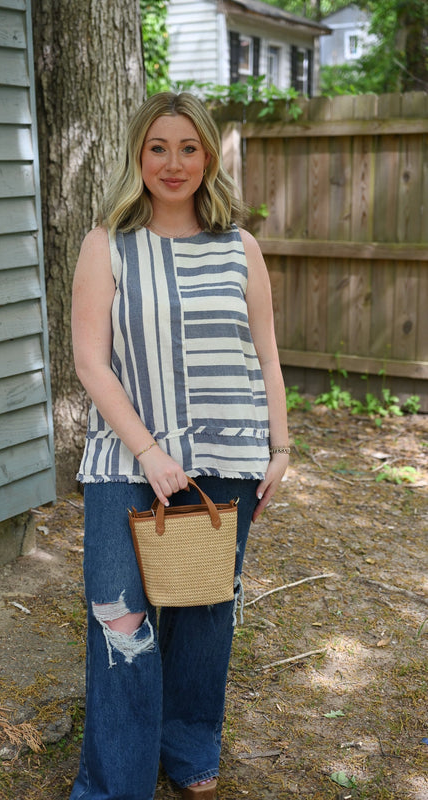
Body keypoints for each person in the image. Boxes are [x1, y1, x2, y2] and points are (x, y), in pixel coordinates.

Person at [70, 91, 289, 800]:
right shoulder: (106, 243)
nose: (173, 163)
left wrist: (278, 450)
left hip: (228, 460)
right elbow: (89, 362)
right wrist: (149, 451)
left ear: (207, 156)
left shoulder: (240, 248)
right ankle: (115, 785)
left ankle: (188, 749)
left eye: (187, 148)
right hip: (126, 460)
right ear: (138, 153)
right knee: (120, 618)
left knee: (202, 611)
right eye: (158, 147)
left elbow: (266, 354)